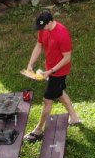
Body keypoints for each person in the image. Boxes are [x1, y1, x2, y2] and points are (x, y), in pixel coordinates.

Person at [24, 10, 82, 142]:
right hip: (49, 68)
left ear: (50, 22)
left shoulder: (62, 34)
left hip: (59, 71)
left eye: (43, 26)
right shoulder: (43, 29)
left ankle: (38, 130)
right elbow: (39, 46)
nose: (41, 29)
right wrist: (30, 64)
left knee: (47, 100)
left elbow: (67, 58)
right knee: (59, 91)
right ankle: (74, 117)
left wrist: (51, 71)